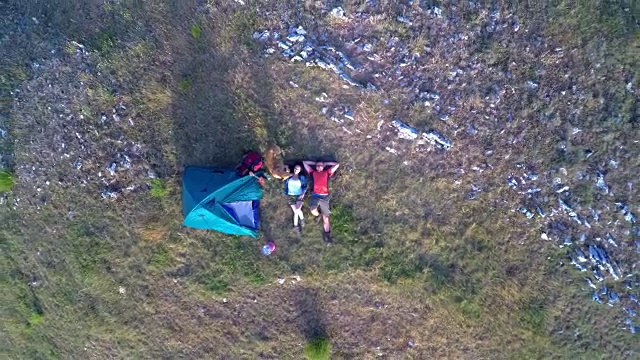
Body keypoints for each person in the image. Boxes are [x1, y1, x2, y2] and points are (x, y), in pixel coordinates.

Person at [302, 160, 340, 243]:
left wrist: (326, 163)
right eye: (317, 166)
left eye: (320, 166)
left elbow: (337, 165)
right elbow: (304, 163)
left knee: (326, 217)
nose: (319, 167)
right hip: (315, 195)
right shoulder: (313, 172)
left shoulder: (327, 172)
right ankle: (318, 215)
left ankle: (327, 234)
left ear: (323, 167)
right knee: (312, 210)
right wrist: (314, 163)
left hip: (324, 196)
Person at [283, 164, 307, 233]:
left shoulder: (301, 177)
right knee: (296, 212)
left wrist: (302, 194)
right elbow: (283, 179)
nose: (296, 170)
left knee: (297, 210)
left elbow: (305, 187)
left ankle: (296, 226)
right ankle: (300, 221)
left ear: (300, 170)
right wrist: (287, 172)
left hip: (299, 195)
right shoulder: (289, 176)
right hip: (290, 196)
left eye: (298, 169)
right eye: (295, 168)